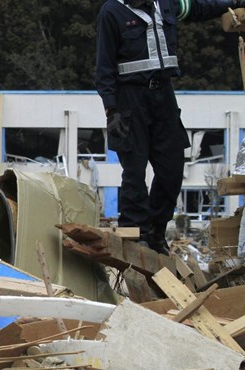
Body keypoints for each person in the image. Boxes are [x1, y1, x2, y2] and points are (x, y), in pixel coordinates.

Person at [96, 0, 245, 255]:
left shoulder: (166, 4)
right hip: (130, 100)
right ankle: (136, 234)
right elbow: (104, 66)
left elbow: (198, 8)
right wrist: (112, 110)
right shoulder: (113, 12)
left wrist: (231, 3)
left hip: (163, 95)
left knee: (172, 167)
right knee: (134, 171)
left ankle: (155, 232)